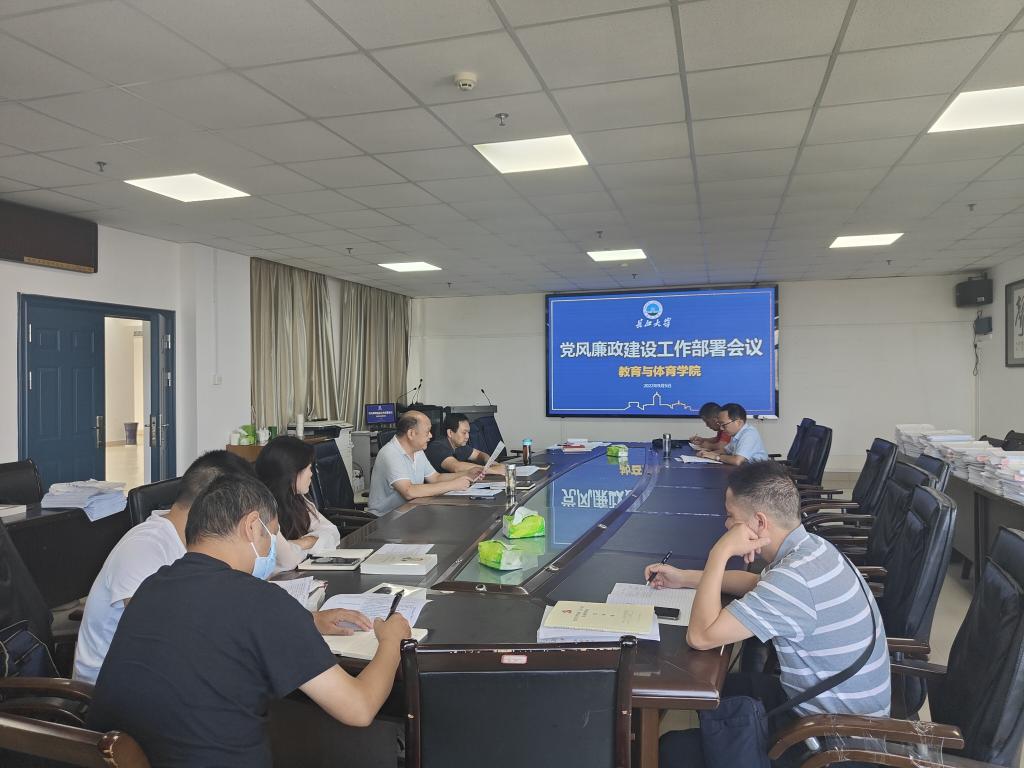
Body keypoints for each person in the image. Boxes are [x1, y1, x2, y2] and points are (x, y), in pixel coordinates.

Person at [87, 473, 411, 768]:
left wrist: (308, 621)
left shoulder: (152, 586)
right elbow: (359, 708)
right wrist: (393, 641)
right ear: (252, 526)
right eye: (273, 534)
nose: (273, 550)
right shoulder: (262, 601)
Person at [646, 462, 890, 767]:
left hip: (835, 747)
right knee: (720, 688)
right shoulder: (813, 548)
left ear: (759, 522)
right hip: (833, 715)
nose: (726, 525)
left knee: (673, 749)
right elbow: (756, 583)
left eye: (731, 517)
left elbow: (701, 636)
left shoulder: (795, 579)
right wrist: (684, 578)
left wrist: (719, 553)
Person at [73, 450, 254, 684]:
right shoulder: (144, 547)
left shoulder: (195, 544)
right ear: (214, 505)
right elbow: (155, 637)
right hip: (111, 687)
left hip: (161, 675)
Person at [255, 435, 341, 572]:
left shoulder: (298, 499)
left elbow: (333, 534)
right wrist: (311, 543)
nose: (311, 474)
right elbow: (288, 561)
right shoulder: (262, 509)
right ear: (291, 473)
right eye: (309, 468)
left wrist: (300, 543)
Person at [367, 410, 476, 517]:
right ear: (411, 433)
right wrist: (454, 485)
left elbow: (435, 478)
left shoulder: (417, 451)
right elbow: (409, 491)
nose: (431, 435)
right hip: (385, 518)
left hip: (410, 513)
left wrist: (467, 474)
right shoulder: (390, 453)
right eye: (427, 432)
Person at [425, 412, 505, 476]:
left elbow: (478, 454)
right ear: (450, 433)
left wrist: (488, 461)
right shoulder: (437, 447)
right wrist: (491, 470)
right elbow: (456, 467)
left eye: (468, 432)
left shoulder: (459, 446)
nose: (467, 436)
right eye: (464, 433)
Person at [697, 402, 768, 464]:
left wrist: (716, 457)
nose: (721, 428)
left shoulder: (749, 434)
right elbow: (726, 450)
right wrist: (707, 454)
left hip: (759, 473)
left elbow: (737, 460)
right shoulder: (736, 434)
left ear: (738, 422)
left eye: (723, 425)